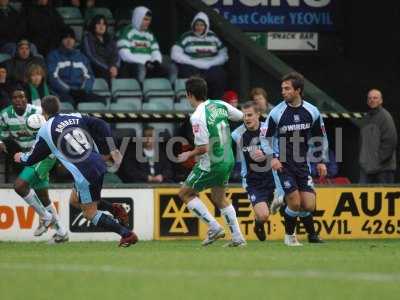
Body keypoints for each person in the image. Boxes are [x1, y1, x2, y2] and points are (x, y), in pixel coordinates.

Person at [14, 95, 138, 247]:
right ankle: (114, 208)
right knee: (74, 200)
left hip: (84, 173)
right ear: (58, 107)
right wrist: (112, 148)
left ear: (43, 111)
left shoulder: (45, 130)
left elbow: (32, 159)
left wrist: (20, 157)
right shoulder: (74, 116)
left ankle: (126, 234)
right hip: (98, 162)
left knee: (89, 213)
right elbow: (102, 124)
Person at [177, 76, 246, 247]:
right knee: (219, 197)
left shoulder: (197, 116)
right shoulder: (220, 105)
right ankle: (237, 237)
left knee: (185, 193)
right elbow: (241, 117)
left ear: (189, 95)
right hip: (228, 159)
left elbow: (203, 148)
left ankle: (214, 227)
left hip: (213, 162)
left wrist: (188, 154)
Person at [262, 72, 327, 246]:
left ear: (298, 90)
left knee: (309, 205)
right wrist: (273, 158)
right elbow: (264, 138)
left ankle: (281, 199)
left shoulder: (312, 111)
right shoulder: (276, 113)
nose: (283, 92)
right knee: (296, 203)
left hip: (302, 164)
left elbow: (320, 137)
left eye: (287, 88)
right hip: (283, 164)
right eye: (282, 88)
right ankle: (290, 236)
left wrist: (320, 160)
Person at [0, 86, 67, 243]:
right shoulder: (4, 115)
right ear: (11, 100)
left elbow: (53, 129)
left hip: (41, 154)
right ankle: (62, 233)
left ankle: (45, 217)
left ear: (26, 99)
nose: (19, 100)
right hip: (31, 155)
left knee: (19, 186)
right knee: (43, 197)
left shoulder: (37, 112)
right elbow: (1, 134)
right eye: (15, 97)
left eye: (22, 96)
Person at [231, 101, 282, 241]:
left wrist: (266, 154)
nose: (246, 118)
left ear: (258, 114)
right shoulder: (237, 135)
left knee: (285, 204)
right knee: (264, 215)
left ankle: (291, 236)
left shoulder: (269, 130)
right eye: (244, 115)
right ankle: (258, 225)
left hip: (272, 178)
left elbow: (280, 151)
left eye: (250, 115)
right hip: (252, 181)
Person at [171, 12, 228, 99]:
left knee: (220, 75)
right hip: (192, 66)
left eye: (202, 25)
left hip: (210, 67)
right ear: (193, 25)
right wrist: (193, 62)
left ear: (206, 26)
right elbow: (175, 53)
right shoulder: (186, 36)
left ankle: (215, 102)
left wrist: (211, 63)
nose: (199, 27)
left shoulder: (213, 37)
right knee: (186, 73)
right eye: (197, 25)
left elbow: (223, 54)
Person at [47, 26, 102, 107]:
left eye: (71, 38)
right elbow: (52, 78)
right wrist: (69, 90)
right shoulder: (53, 56)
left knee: (100, 100)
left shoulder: (82, 57)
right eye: (66, 38)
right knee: (69, 102)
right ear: (61, 40)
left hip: (81, 92)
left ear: (74, 41)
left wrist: (84, 90)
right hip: (62, 93)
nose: (69, 41)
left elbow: (89, 76)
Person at [117, 6, 172, 83]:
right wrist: (145, 62)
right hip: (132, 65)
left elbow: (155, 51)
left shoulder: (149, 34)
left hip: (149, 64)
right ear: (138, 18)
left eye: (149, 20)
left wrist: (156, 62)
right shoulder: (126, 31)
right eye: (145, 19)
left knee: (170, 68)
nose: (148, 22)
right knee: (141, 68)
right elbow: (124, 55)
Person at [359, 89, 397, 183]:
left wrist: (376, 161)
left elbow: (390, 142)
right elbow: (362, 142)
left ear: (381, 100)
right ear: (367, 101)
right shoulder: (366, 118)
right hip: (367, 169)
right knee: (363, 196)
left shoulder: (385, 117)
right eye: (370, 98)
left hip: (383, 169)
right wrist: (363, 161)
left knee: (382, 197)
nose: (372, 100)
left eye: (375, 98)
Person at [82, 14, 120, 83]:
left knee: (123, 71)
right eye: (98, 24)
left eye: (104, 24)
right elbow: (91, 56)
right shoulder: (88, 38)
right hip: (96, 67)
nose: (101, 26)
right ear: (94, 25)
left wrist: (114, 67)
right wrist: (108, 68)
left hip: (111, 67)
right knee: (104, 74)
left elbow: (116, 54)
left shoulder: (110, 38)